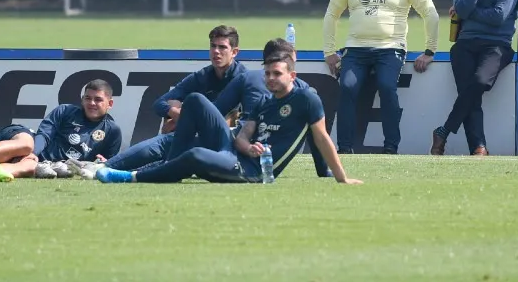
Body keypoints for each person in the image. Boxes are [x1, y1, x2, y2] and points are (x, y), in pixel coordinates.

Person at [95, 52, 362, 185]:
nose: (270, 79)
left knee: (197, 155)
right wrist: (248, 146)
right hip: (236, 152)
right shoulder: (265, 101)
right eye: (267, 73)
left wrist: (341, 178)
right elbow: (244, 134)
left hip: (254, 172)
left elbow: (322, 138)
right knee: (196, 101)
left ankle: (130, 177)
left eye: (277, 74)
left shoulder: (306, 99)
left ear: (292, 76)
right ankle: (168, 166)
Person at [323, 0, 439, 154]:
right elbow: (331, 14)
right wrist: (329, 51)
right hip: (356, 48)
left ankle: (390, 147)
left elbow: (430, 13)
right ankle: (344, 148)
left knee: (387, 87)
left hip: (391, 48)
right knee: (347, 87)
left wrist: (429, 50)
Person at [92, 25, 246, 174]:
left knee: (164, 142)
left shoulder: (243, 79)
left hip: (228, 145)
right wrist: (176, 114)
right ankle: (107, 168)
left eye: (222, 47)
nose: (216, 51)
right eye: (213, 46)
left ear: (235, 52)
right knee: (166, 150)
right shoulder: (203, 76)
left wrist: (184, 120)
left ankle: (103, 166)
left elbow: (224, 116)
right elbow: (159, 104)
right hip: (201, 138)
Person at [431, 0, 518, 156]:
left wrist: (468, 11)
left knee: (478, 82)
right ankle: (478, 148)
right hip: (466, 43)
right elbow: (461, 10)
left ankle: (443, 130)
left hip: (497, 45)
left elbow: (499, 16)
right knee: (469, 94)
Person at [212, 38, 332, 178]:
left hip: (233, 145)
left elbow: (215, 112)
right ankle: (323, 170)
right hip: (261, 151)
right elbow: (317, 134)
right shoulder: (303, 90)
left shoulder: (245, 77)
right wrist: (324, 171)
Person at [0, 80, 122, 179]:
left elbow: (107, 163)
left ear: (110, 104)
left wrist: (102, 163)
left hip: (41, 164)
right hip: (23, 138)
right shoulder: (65, 111)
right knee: (27, 145)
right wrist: (33, 153)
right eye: (88, 98)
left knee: (28, 167)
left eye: (98, 100)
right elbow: (43, 135)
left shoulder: (112, 131)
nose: (92, 103)